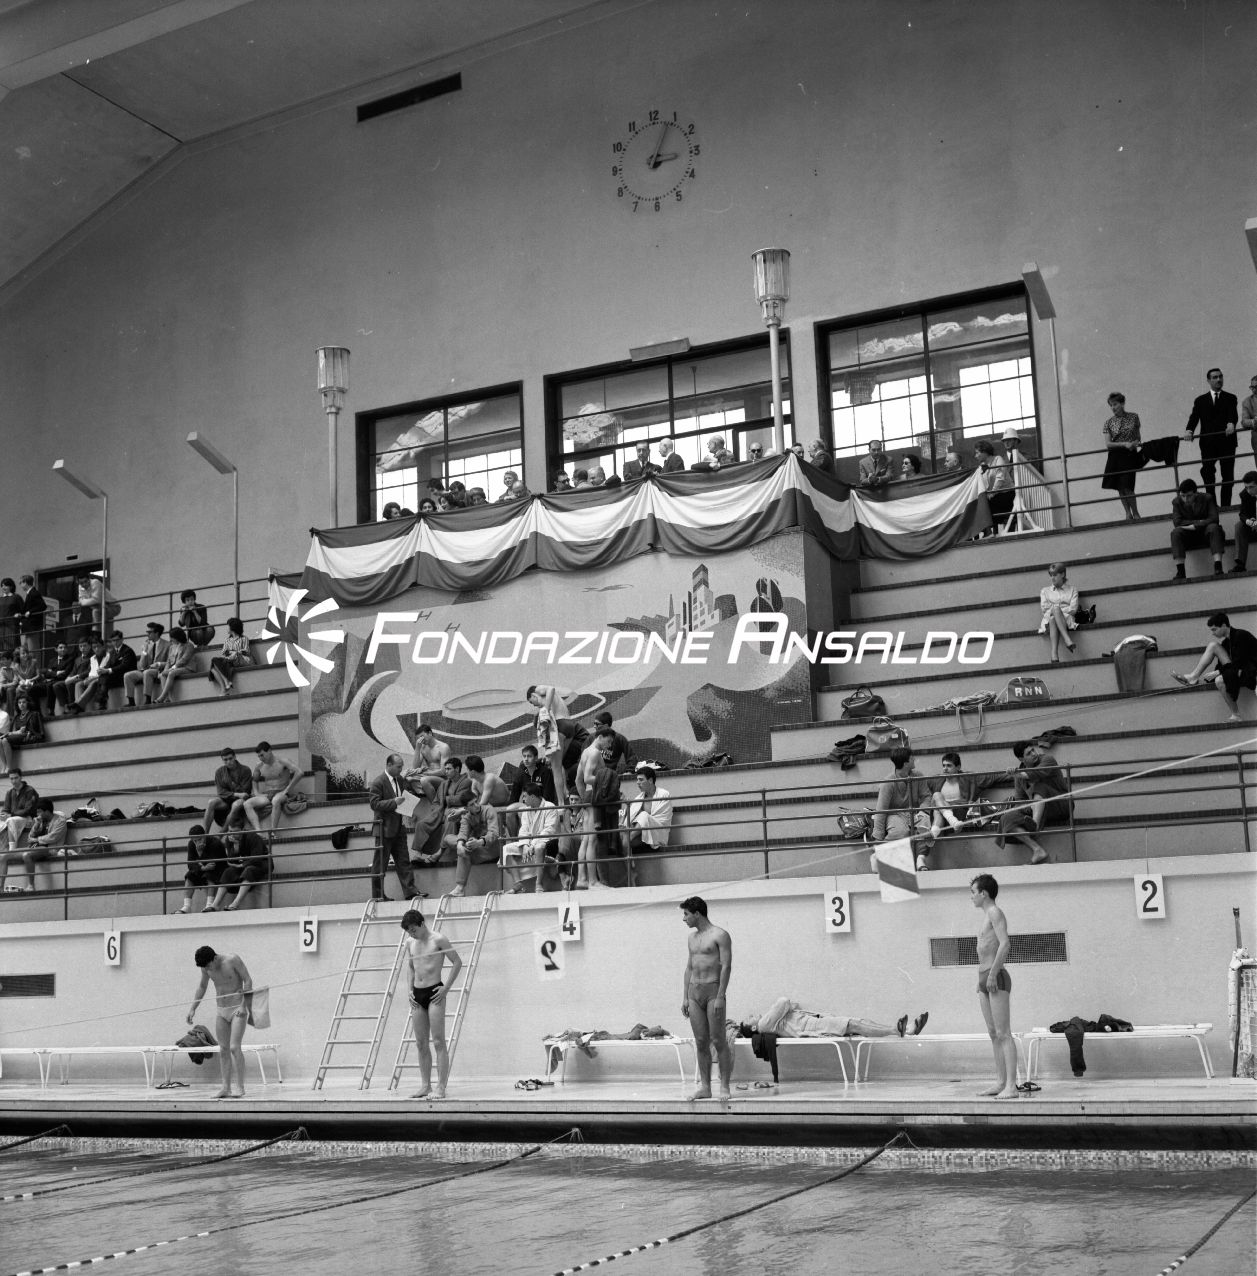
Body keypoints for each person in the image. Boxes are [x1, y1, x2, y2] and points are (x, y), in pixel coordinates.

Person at [400, 908, 463, 1099]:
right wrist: (409, 990)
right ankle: (426, 1085)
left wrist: (446, 988)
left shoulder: (439, 940)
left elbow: (457, 962)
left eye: (413, 929)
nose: (411, 934)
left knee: (438, 1041)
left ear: (422, 924)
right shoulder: (410, 942)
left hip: (435, 992)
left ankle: (441, 1087)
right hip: (417, 994)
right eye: (408, 931)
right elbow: (411, 966)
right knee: (420, 1043)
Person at [971, 874, 1019, 1099]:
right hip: (984, 977)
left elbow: (1005, 944)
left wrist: (992, 974)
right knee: (993, 1034)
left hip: (995, 976)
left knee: (1003, 1033)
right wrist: (981, 979)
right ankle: (1000, 1082)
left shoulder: (995, 912)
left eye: (973, 892)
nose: (971, 897)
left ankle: (1012, 1086)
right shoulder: (986, 916)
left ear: (984, 893)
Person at [681, 896, 732, 1102]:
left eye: (686, 914)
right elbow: (689, 967)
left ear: (697, 913)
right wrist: (685, 997)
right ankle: (705, 1087)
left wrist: (720, 996)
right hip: (694, 993)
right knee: (701, 1041)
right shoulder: (691, 938)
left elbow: (726, 966)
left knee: (718, 1040)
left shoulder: (720, 935)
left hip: (713, 991)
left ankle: (725, 1086)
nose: (684, 919)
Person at [186, 946, 254, 1098]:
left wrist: (243, 1006)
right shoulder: (205, 968)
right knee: (223, 1049)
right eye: (205, 968)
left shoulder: (232, 960)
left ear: (215, 958)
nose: (207, 969)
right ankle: (226, 1088)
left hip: (237, 1008)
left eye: (208, 966)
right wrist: (193, 1008)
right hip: (221, 1010)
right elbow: (202, 987)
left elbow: (248, 980)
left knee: (234, 1047)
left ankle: (240, 1087)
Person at [1171, 611, 1257, 722]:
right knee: (1213, 646)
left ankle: (1235, 715)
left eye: (1214, 629)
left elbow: (1241, 662)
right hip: (1237, 670)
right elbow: (1226, 666)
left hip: (1251, 672)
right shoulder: (1226, 643)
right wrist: (1216, 673)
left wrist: (1218, 672)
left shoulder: (1241, 635)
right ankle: (1194, 677)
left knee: (1219, 679)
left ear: (1224, 625)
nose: (1213, 633)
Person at [997, 740, 1069, 864]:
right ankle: (1037, 849)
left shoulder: (1048, 759)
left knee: (1040, 787)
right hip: (1038, 810)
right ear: (1021, 759)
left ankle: (1034, 825)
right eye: (1028, 753)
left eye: (1033, 750)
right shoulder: (1019, 774)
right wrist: (1028, 807)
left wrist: (1016, 774)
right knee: (1006, 818)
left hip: (1061, 805)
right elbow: (1019, 801)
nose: (1034, 754)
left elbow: (1035, 774)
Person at [741, 996, 928, 1041]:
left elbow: (792, 1004)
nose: (751, 1015)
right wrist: (786, 1008)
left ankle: (907, 1030)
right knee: (855, 1024)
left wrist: (786, 1008)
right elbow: (785, 1001)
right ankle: (897, 1030)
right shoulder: (764, 1024)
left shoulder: (768, 1022)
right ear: (753, 1028)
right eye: (749, 1019)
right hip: (814, 1027)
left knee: (860, 1023)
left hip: (817, 1022)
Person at [368, 753, 423, 902]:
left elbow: (403, 796)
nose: (400, 769)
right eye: (398, 766)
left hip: (398, 827)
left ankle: (411, 892)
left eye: (401, 766)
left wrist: (407, 804)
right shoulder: (378, 782)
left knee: (404, 861)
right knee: (380, 864)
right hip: (383, 828)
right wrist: (394, 802)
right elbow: (374, 804)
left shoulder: (399, 779)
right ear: (389, 765)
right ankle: (378, 895)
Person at [870, 747, 935, 872]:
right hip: (894, 815)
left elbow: (927, 796)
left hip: (915, 812)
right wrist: (877, 837)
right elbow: (881, 810)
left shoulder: (918, 775)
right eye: (912, 758)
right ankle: (878, 855)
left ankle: (920, 860)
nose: (914, 759)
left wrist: (923, 811)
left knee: (924, 826)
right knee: (901, 832)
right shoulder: (887, 783)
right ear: (906, 763)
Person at [1185, 367, 1239, 509]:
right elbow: (1194, 417)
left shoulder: (1230, 398)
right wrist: (1189, 430)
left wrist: (1231, 423)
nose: (1218, 379)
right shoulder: (1200, 400)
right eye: (1215, 377)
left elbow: (1233, 414)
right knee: (1208, 474)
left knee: (1228, 476)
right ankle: (1213, 506)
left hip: (1227, 443)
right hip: (1208, 444)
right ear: (1208, 381)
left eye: (1220, 376)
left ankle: (1226, 507)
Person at [928, 752, 1008, 839]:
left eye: (949, 766)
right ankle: (949, 824)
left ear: (958, 767)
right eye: (943, 765)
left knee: (937, 802)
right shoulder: (936, 780)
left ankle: (934, 832)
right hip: (946, 818)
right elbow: (921, 787)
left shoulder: (969, 778)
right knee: (937, 797)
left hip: (960, 813)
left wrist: (1015, 773)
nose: (945, 769)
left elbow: (993, 777)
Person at [501, 780, 560, 893]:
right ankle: (518, 884)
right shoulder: (526, 809)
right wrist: (525, 845)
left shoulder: (550, 807)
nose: (523, 800)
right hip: (530, 843)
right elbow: (524, 830)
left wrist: (532, 845)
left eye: (524, 796)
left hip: (549, 842)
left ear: (532, 797)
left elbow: (549, 830)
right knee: (506, 849)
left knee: (539, 847)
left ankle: (539, 884)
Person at [620, 763, 672, 886]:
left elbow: (662, 820)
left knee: (642, 817)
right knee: (623, 837)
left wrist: (642, 819)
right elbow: (628, 820)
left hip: (657, 832)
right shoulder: (638, 798)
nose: (637, 783)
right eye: (637, 780)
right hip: (640, 835)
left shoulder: (664, 794)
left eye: (641, 780)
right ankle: (631, 873)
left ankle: (630, 873)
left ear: (650, 780)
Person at [5, 798, 68, 893]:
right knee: (3, 855)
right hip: (34, 848)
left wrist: (36, 840)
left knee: (26, 855)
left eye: (39, 812)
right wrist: (37, 824)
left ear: (47, 811)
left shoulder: (60, 821)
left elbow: (53, 837)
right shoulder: (40, 820)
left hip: (50, 849)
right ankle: (1, 887)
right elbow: (30, 837)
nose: (38, 814)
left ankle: (31, 886)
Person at [1170, 478, 1225, 580]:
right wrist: (1198, 522)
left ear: (1196, 493)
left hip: (1207, 533)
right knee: (1176, 532)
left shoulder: (1207, 498)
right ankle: (1180, 572)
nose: (1186, 499)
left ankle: (1218, 566)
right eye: (1183, 496)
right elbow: (1177, 522)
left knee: (1213, 527)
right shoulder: (1176, 502)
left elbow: (1214, 518)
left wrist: (1196, 526)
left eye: (1189, 496)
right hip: (1189, 535)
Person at [445, 795, 500, 898]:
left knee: (465, 851)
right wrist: (460, 845)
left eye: (476, 801)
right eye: (472, 804)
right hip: (476, 847)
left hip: (493, 847)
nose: (476, 805)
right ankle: (460, 889)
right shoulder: (466, 816)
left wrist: (479, 842)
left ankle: (460, 888)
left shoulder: (489, 810)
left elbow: (494, 834)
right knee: (449, 839)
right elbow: (463, 832)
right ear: (466, 808)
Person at [241, 741, 300, 834]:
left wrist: (287, 790)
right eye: (259, 756)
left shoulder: (282, 761)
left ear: (269, 751)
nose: (261, 758)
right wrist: (256, 792)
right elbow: (254, 780)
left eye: (262, 755)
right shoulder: (259, 765)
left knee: (276, 800)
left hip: (282, 792)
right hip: (268, 794)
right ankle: (258, 832)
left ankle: (273, 832)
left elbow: (299, 773)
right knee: (247, 804)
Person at [1101, 391, 1143, 521]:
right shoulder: (1108, 422)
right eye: (1111, 405)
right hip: (1115, 456)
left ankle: (1136, 513)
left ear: (1122, 403)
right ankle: (1128, 513)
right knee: (1120, 487)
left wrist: (1133, 444)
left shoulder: (1134, 417)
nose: (1113, 407)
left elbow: (1138, 438)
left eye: (1115, 404)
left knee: (1128, 485)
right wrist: (1124, 444)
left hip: (1129, 455)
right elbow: (1108, 444)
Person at [206, 828, 271, 911]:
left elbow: (257, 858)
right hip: (243, 865)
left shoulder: (253, 837)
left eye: (234, 832)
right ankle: (215, 904)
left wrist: (242, 865)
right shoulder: (229, 839)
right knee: (228, 872)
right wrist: (236, 847)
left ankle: (235, 904)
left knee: (249, 870)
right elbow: (231, 861)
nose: (231, 834)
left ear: (241, 831)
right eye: (230, 831)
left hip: (262, 863)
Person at [173, 824, 228, 913]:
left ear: (204, 835)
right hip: (203, 869)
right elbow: (190, 864)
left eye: (200, 839)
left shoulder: (215, 843)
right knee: (189, 875)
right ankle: (187, 906)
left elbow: (213, 864)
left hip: (219, 869)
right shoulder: (191, 844)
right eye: (195, 840)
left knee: (210, 875)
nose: (198, 842)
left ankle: (209, 904)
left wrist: (200, 855)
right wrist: (202, 867)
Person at [144, 625, 197, 705]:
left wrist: (173, 668)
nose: (171, 639)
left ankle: (161, 698)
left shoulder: (189, 645)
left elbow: (184, 659)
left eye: (172, 637)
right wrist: (165, 671)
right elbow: (169, 661)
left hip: (187, 668)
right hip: (176, 668)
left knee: (171, 673)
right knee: (163, 674)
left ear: (178, 637)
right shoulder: (172, 647)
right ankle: (167, 698)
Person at [1038, 562, 1080, 662]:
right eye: (1051, 575)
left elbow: (1073, 609)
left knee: (1054, 614)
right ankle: (1067, 640)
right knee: (1053, 615)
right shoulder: (1045, 591)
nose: (1052, 578)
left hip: (1066, 620)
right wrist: (1059, 609)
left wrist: (1057, 610)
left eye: (1055, 575)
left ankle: (1054, 655)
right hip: (1049, 620)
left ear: (1062, 574)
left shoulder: (1072, 590)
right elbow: (1044, 608)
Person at [205, 746, 252, 833]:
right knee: (211, 802)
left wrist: (234, 792)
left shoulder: (246, 770)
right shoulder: (219, 772)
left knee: (236, 804)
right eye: (225, 760)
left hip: (240, 801)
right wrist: (236, 794)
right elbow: (221, 792)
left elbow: (245, 791)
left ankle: (222, 832)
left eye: (230, 758)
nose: (228, 762)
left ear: (235, 757)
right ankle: (205, 834)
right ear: (222, 760)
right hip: (226, 800)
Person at [123, 622, 170, 708]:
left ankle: (147, 699)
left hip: (159, 670)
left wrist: (159, 664)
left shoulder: (167, 645)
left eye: (149, 632)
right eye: (147, 632)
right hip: (146, 670)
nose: (147, 634)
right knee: (127, 675)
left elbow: (170, 662)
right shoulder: (147, 645)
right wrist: (144, 652)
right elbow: (142, 666)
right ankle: (131, 701)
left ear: (156, 633)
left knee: (147, 672)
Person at [974, 439, 1014, 532]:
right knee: (978, 505)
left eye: (977, 453)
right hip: (994, 496)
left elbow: (1000, 478)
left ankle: (989, 531)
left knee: (984, 505)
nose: (975, 456)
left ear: (984, 451)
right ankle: (989, 532)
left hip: (1006, 493)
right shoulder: (982, 467)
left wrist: (992, 493)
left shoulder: (998, 459)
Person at [208, 616, 253, 695]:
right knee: (214, 661)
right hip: (229, 659)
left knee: (213, 668)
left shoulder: (244, 638)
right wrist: (231, 653)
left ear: (233, 628)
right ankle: (226, 682)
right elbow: (224, 652)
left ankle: (224, 687)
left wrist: (235, 652)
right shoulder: (227, 640)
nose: (227, 628)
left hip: (240, 660)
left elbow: (246, 651)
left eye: (228, 626)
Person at [96, 629, 138, 710]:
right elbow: (109, 665)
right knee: (102, 677)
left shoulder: (127, 650)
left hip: (127, 675)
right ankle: (102, 702)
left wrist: (108, 670)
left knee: (105, 677)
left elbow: (124, 666)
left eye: (117, 640)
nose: (115, 642)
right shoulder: (112, 652)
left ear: (122, 640)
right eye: (113, 641)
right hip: (117, 675)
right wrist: (102, 670)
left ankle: (102, 702)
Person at [1, 692, 44, 770]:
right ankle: (4, 766)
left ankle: (9, 767)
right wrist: (15, 732)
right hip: (19, 736)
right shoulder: (17, 717)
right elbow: (15, 731)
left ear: (28, 703)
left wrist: (22, 730)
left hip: (29, 736)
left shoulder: (34, 714)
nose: (21, 704)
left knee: (5, 740)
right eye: (19, 702)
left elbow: (35, 730)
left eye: (24, 702)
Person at [1229, 471, 1257, 573]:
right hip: (1253, 525)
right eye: (1246, 487)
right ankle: (1240, 564)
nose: (1249, 490)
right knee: (1239, 526)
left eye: (1251, 487)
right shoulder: (1244, 494)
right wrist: (1249, 521)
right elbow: (1242, 514)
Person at [15, 575, 46, 662]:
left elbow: (43, 606)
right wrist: (21, 614)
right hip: (28, 627)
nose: (21, 585)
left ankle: (36, 668)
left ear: (25, 582)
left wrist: (30, 612)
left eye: (21, 583)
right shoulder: (30, 593)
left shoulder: (34, 593)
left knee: (33, 650)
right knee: (26, 649)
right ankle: (29, 667)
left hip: (32, 627)